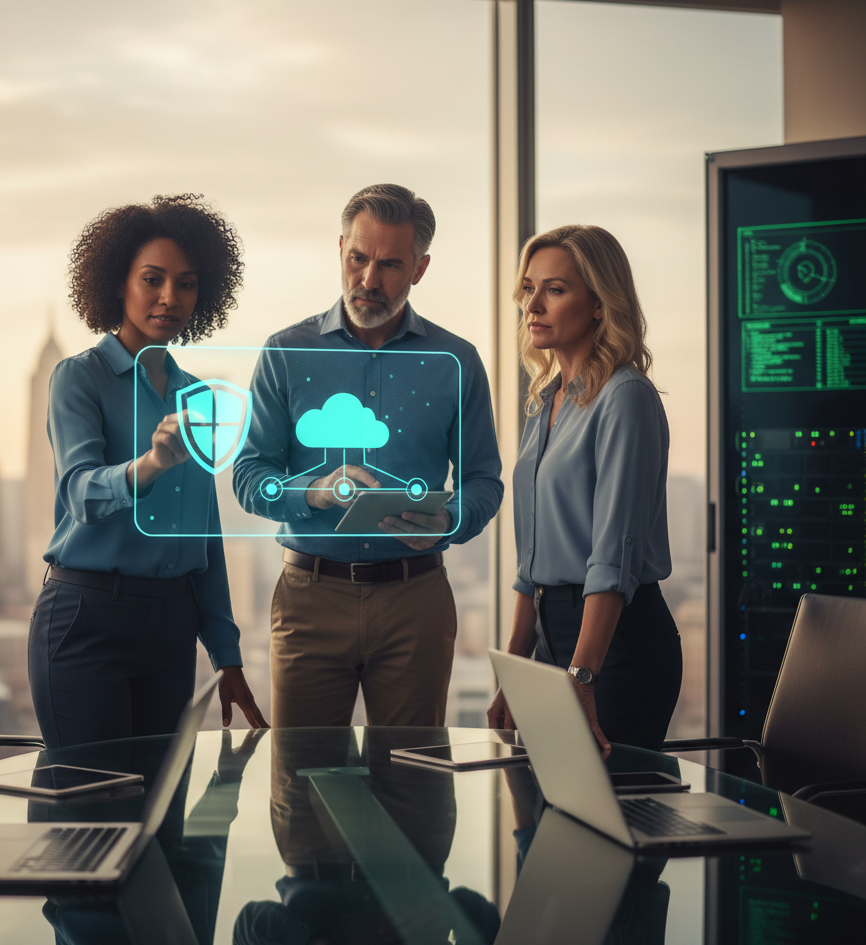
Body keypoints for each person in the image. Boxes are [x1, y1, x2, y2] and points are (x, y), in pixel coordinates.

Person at [232, 184, 503, 728]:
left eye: (390, 265)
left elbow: (483, 480)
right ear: (339, 250)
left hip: (416, 599)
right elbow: (248, 476)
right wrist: (313, 491)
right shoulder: (286, 352)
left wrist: (449, 522)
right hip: (309, 600)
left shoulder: (458, 361)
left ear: (420, 269)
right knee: (301, 785)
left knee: (412, 785)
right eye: (358, 258)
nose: (369, 280)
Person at [28, 194, 267, 750]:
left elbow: (204, 536)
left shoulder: (195, 396)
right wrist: (152, 463)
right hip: (88, 619)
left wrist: (226, 656)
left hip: (172, 628)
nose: (169, 297)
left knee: (161, 812)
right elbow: (81, 494)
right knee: (92, 807)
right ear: (118, 283)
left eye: (185, 283)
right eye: (152, 279)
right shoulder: (79, 379)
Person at [487, 224, 681, 754]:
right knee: (550, 818)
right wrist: (514, 668)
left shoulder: (626, 397)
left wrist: (583, 674)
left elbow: (612, 559)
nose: (534, 305)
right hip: (554, 640)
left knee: (607, 820)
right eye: (529, 288)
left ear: (599, 303)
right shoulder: (543, 400)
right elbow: (531, 568)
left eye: (555, 289)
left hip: (615, 647)